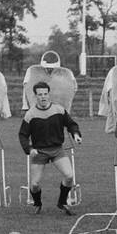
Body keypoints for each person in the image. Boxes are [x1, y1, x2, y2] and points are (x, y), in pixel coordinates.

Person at [19, 81, 82, 212]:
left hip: (57, 150)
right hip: (39, 152)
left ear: (49, 94)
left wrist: (75, 134)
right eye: (40, 94)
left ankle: (62, 202)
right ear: (35, 96)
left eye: (45, 94)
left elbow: (71, 124)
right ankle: (37, 203)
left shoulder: (59, 110)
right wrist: (29, 149)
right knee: (35, 184)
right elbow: (23, 135)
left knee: (69, 176)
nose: (43, 97)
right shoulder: (30, 114)